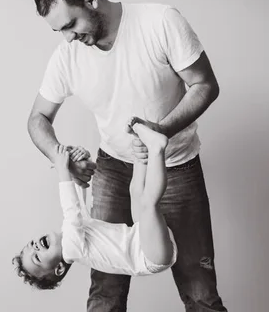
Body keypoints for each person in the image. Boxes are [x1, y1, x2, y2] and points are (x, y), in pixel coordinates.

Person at [28, 0, 226, 311]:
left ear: (90, 0)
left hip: (177, 165)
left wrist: (161, 131)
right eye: (59, 31)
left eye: (70, 25)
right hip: (113, 170)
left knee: (200, 294)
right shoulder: (67, 56)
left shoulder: (160, 22)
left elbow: (205, 85)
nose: (68, 38)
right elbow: (37, 119)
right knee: (106, 295)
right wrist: (61, 158)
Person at [12, 120, 177, 290]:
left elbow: (78, 197)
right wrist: (62, 171)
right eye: (37, 258)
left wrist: (80, 160)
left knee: (135, 190)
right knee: (149, 203)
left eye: (31, 246)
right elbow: (71, 212)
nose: (35, 247)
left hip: (141, 237)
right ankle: (157, 148)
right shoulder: (71, 250)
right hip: (151, 256)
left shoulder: (74, 235)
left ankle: (140, 144)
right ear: (59, 268)